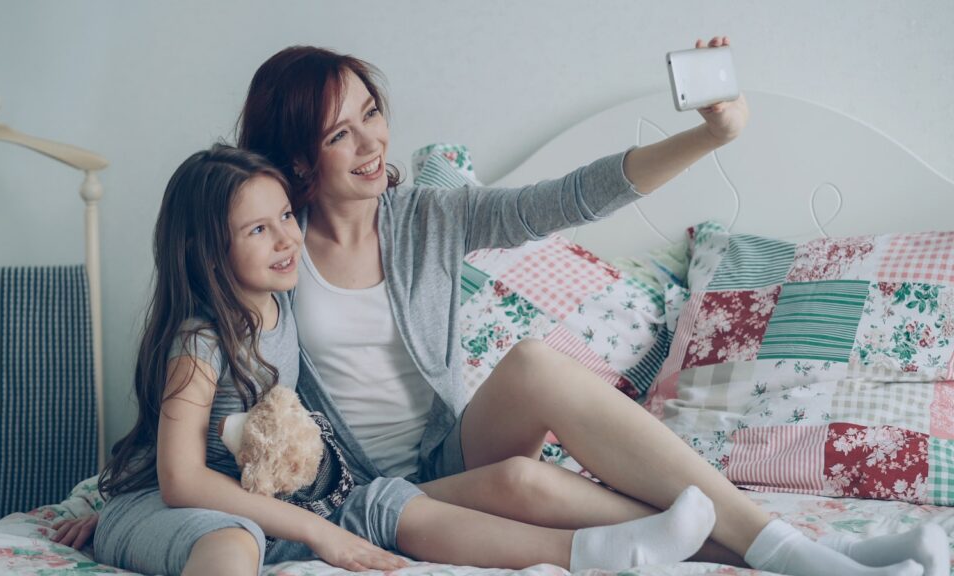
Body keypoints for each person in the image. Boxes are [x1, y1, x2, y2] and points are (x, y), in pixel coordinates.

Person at [228, 39, 947, 576]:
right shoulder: (268, 251)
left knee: (538, 363)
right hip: (368, 491)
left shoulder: (425, 217)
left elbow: (569, 198)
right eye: (339, 133)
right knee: (526, 482)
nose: (371, 141)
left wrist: (712, 134)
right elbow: (202, 369)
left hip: (445, 455)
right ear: (297, 159)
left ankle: (795, 550)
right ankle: (811, 556)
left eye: (372, 113)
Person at [68, 144, 735, 576]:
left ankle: (589, 554)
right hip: (211, 511)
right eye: (257, 229)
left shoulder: (284, 308)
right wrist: (315, 535)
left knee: (388, 503)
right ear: (206, 250)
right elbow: (180, 479)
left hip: (299, 501)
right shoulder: (199, 342)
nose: (286, 240)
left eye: (284, 218)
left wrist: (323, 521)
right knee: (231, 545)